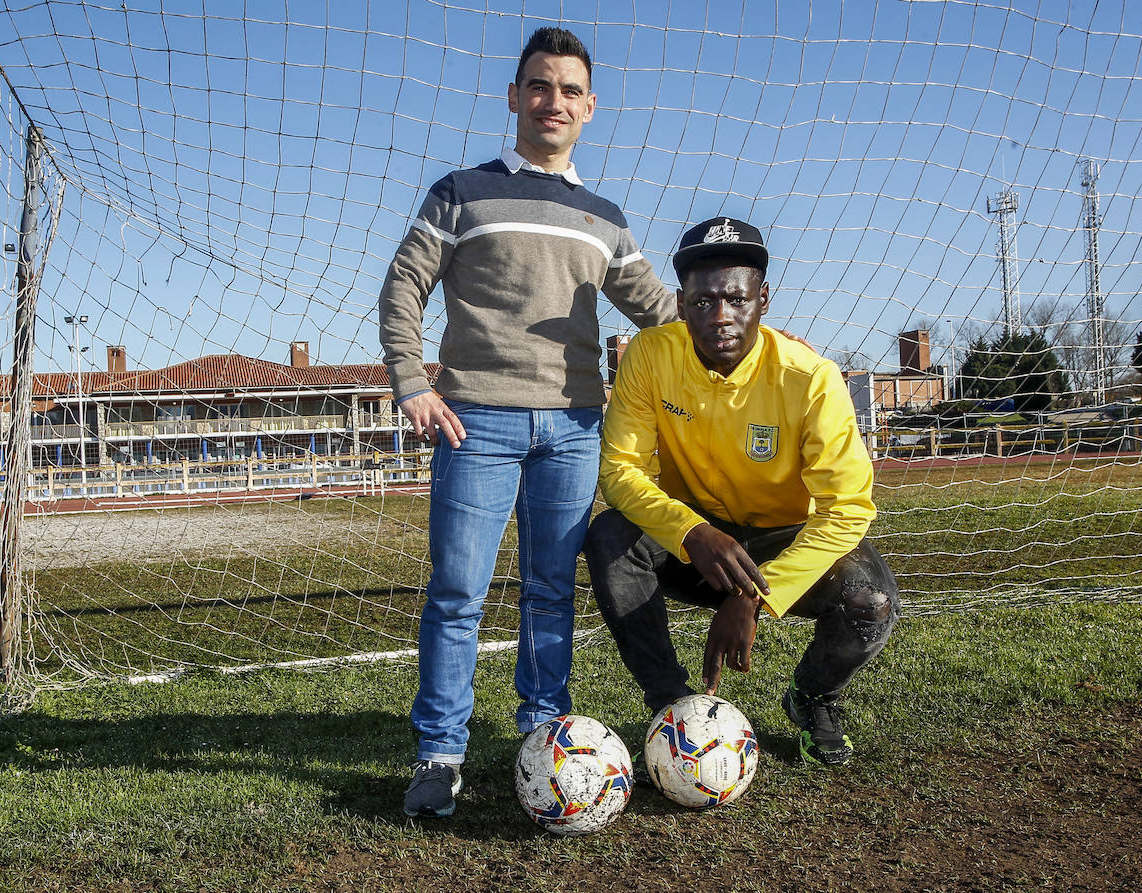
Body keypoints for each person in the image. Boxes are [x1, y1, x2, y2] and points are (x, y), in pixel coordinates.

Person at [378, 27, 676, 818]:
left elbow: (662, 313)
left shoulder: (605, 218)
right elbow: (403, 286)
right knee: (456, 594)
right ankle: (440, 752)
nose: (554, 101)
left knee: (550, 591)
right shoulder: (460, 192)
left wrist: (758, 340)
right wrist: (412, 380)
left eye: (570, 90)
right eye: (539, 85)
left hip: (575, 428)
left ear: (590, 107)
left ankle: (544, 736)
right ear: (513, 96)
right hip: (474, 422)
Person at [583, 216, 900, 767]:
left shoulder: (811, 378)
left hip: (783, 541)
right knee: (611, 537)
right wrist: (691, 530)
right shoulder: (650, 357)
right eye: (703, 302)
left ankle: (814, 698)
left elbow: (847, 509)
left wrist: (755, 593)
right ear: (680, 305)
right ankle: (672, 711)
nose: (720, 317)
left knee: (869, 603)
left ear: (764, 298)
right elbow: (620, 471)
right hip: (698, 546)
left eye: (736, 299)